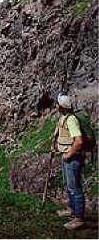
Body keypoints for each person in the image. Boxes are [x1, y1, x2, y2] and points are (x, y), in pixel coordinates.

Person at [52, 93, 85, 231]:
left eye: (58, 104)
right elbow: (60, 134)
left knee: (74, 187)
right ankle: (72, 210)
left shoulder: (71, 120)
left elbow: (78, 141)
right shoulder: (63, 117)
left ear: (62, 106)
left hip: (73, 159)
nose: (56, 105)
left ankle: (79, 218)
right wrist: (55, 147)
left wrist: (69, 154)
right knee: (68, 185)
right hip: (66, 156)